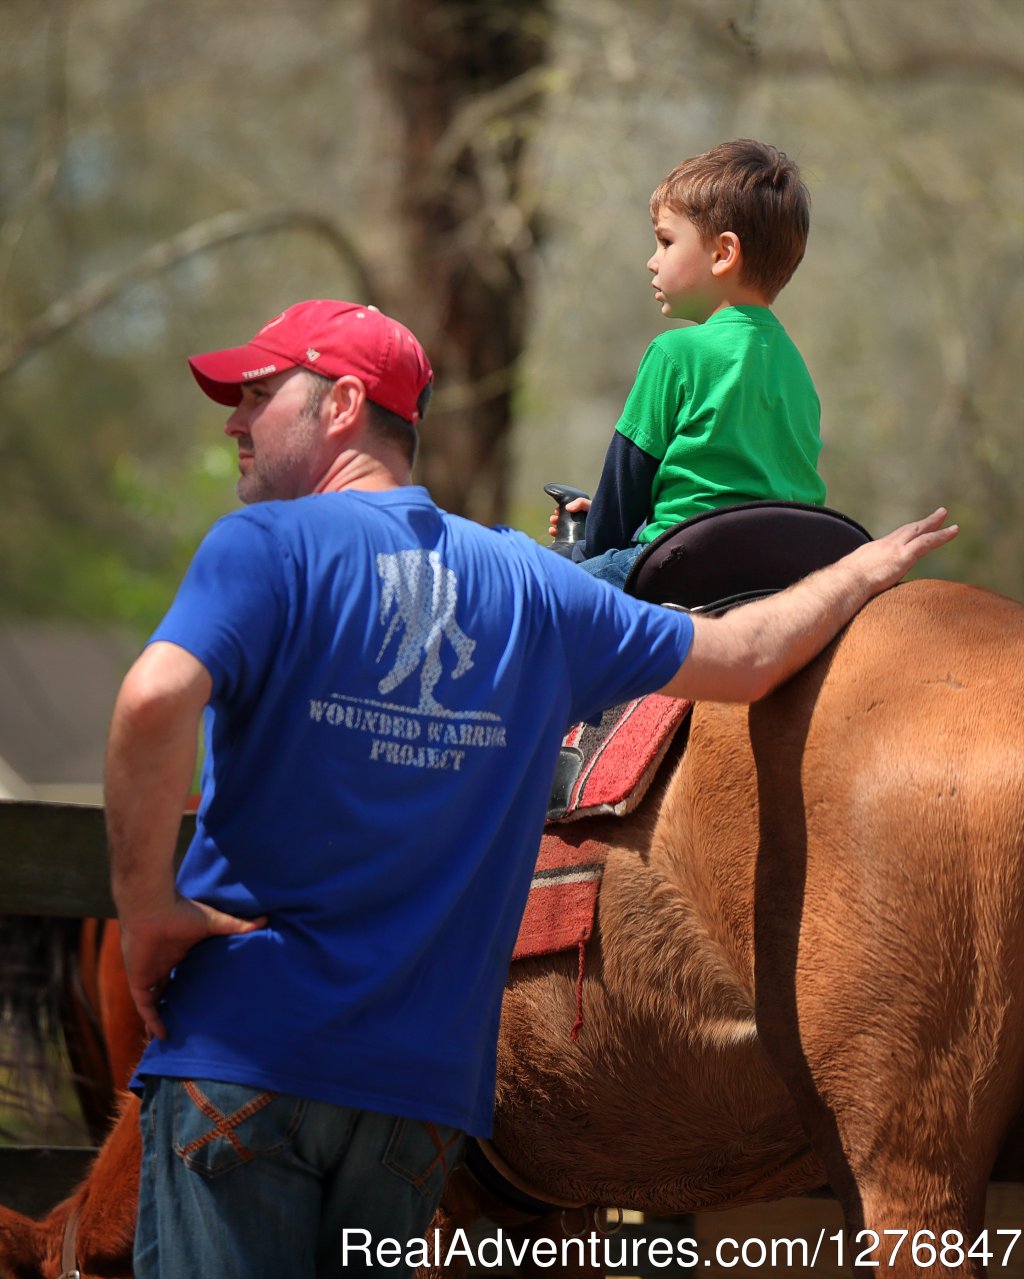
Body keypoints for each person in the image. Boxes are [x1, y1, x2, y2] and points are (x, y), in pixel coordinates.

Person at [105, 297, 956, 1279]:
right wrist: (859, 570)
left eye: (257, 394)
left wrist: (146, 909)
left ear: (341, 404)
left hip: (246, 1054)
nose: (233, 420)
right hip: (414, 1104)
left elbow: (152, 701)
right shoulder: (530, 585)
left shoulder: (261, 549)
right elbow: (745, 654)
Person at [556, 139, 826, 588]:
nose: (652, 261)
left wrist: (581, 547)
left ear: (723, 253)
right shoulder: (797, 370)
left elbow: (624, 495)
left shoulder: (675, 353)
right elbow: (741, 487)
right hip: (787, 572)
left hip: (687, 565)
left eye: (665, 241)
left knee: (524, 587)